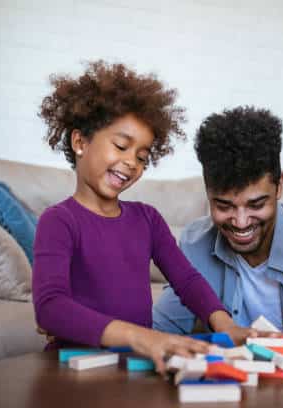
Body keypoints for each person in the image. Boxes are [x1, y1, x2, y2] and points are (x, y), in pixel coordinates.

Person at [33, 61, 258, 373]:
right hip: (75, 369)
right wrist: (143, 337)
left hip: (135, 367)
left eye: (142, 157)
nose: (130, 163)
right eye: (121, 146)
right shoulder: (59, 221)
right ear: (80, 142)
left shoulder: (147, 219)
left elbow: (187, 280)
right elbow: (50, 308)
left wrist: (225, 325)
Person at [152, 106, 283, 334]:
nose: (241, 222)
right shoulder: (195, 244)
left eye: (256, 205)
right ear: (207, 193)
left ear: (280, 186)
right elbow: (162, 329)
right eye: (224, 206)